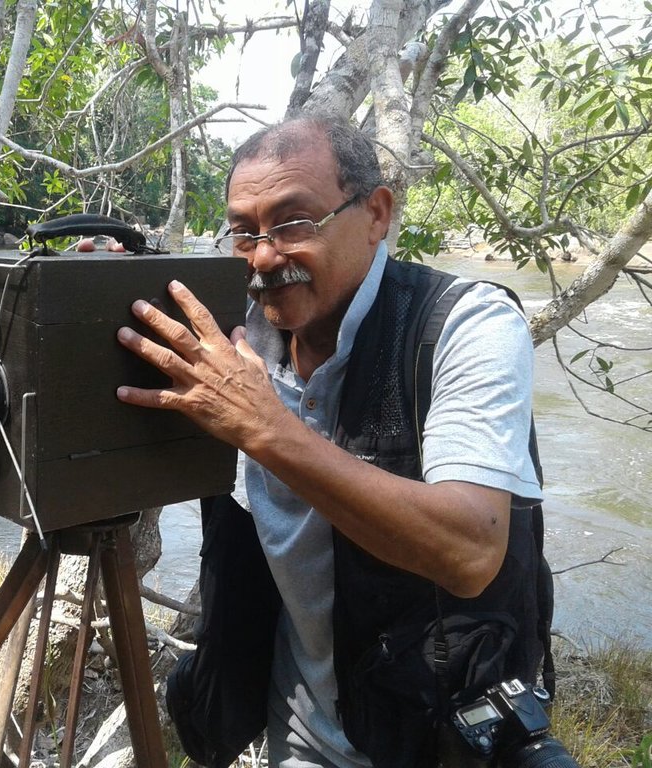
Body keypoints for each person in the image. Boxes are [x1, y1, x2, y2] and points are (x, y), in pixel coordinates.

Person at [115, 114, 550, 767]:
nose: (263, 255)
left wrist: (265, 428)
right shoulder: (234, 339)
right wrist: (86, 299)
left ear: (376, 214)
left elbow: (471, 548)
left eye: (293, 223)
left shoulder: (463, 326)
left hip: (437, 735)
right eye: (243, 231)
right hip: (296, 731)